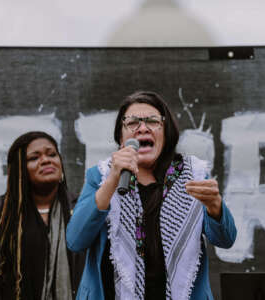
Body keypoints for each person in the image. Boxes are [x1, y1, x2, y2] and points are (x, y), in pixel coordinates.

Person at [66, 91, 237, 300]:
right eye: (132, 122)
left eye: (152, 121)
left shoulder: (193, 175)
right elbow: (75, 240)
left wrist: (215, 208)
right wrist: (112, 179)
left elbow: (226, 240)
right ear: (121, 136)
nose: (143, 128)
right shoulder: (100, 176)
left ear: (166, 133)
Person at [0, 131, 84, 300]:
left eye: (52, 154)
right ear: (19, 170)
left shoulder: (82, 210)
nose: (46, 160)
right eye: (34, 158)